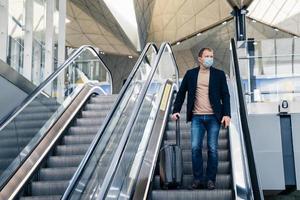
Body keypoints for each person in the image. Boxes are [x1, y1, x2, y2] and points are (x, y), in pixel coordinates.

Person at [171, 47, 231, 190]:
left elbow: (225, 95)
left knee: (212, 149)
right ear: (200, 59)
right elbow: (181, 93)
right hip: (197, 117)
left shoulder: (219, 74)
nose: (210, 58)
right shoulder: (191, 74)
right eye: (207, 56)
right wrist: (176, 110)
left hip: (214, 117)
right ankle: (197, 179)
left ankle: (210, 180)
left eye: (211, 56)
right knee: (195, 148)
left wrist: (227, 114)